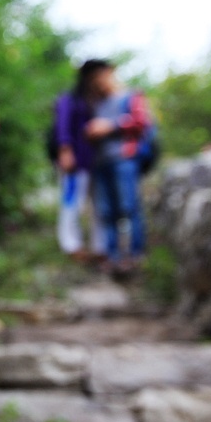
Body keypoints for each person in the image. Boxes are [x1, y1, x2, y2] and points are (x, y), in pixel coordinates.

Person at [85, 61, 151, 276]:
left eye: (101, 76)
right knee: (106, 211)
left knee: (128, 208)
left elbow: (142, 123)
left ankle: (133, 255)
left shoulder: (131, 97)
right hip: (101, 161)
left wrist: (111, 126)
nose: (99, 82)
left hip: (124, 159)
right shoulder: (97, 104)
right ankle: (112, 257)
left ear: (111, 74)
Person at [53, 60, 107, 263]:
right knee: (71, 203)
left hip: (97, 162)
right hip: (76, 162)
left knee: (99, 205)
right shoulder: (71, 99)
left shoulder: (100, 101)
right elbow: (62, 127)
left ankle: (100, 246)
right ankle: (71, 245)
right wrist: (65, 150)